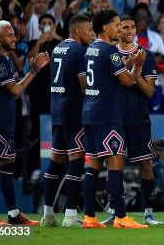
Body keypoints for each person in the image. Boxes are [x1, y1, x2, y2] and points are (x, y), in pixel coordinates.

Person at [79, 9, 148, 229]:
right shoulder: (111, 51)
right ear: (106, 28)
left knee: (94, 165)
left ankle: (89, 217)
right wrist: (137, 65)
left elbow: (108, 72)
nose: (120, 28)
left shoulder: (91, 49)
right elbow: (127, 82)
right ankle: (121, 217)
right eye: (117, 25)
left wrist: (128, 65)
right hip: (108, 114)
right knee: (115, 162)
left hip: (89, 113)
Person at [0, 20, 49, 225]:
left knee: (8, 165)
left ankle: (13, 214)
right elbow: (16, 90)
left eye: (13, 34)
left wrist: (30, 73)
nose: (14, 38)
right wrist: (34, 71)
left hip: (4, 119)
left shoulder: (6, 58)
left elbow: (15, 90)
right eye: (9, 35)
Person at [99, 16, 161, 225]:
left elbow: (150, 91)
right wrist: (132, 71)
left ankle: (148, 213)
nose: (129, 30)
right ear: (117, 30)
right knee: (114, 165)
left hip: (138, 116)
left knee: (145, 164)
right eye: (124, 26)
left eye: (132, 26)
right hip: (113, 116)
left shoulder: (146, 55)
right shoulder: (110, 53)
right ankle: (116, 210)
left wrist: (137, 72)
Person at [40, 15, 95, 227]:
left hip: (57, 111)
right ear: (78, 31)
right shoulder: (81, 52)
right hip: (74, 111)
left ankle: (48, 214)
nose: (92, 34)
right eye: (89, 30)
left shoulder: (58, 48)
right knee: (76, 160)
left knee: (56, 161)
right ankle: (71, 216)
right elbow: (84, 86)